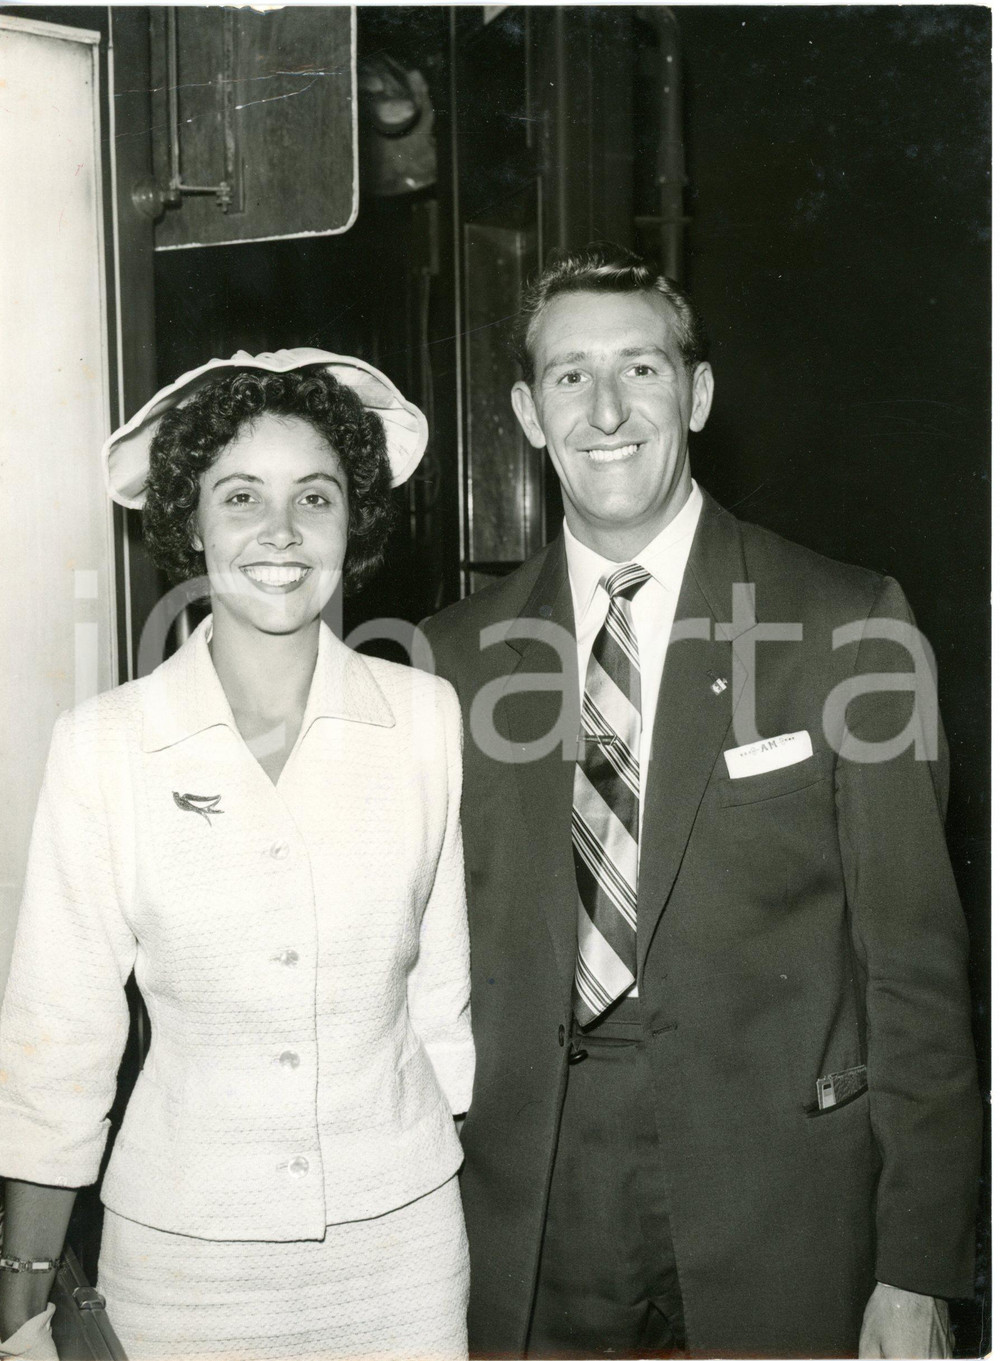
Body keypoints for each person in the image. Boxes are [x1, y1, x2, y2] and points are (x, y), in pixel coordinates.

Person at [420, 246, 981, 1359]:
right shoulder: (449, 659)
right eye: (570, 376)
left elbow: (915, 971)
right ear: (529, 414)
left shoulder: (847, 620)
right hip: (526, 1213)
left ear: (699, 392)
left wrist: (917, 1265)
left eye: (641, 367)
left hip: (783, 1208)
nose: (608, 409)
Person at [0, 350, 474, 1360]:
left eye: (315, 495)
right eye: (240, 496)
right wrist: (23, 1292)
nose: (281, 532)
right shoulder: (104, 743)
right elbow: (59, 1038)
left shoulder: (426, 718)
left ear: (355, 519)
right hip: (183, 1263)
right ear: (191, 521)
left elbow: (444, 999)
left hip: (401, 1251)